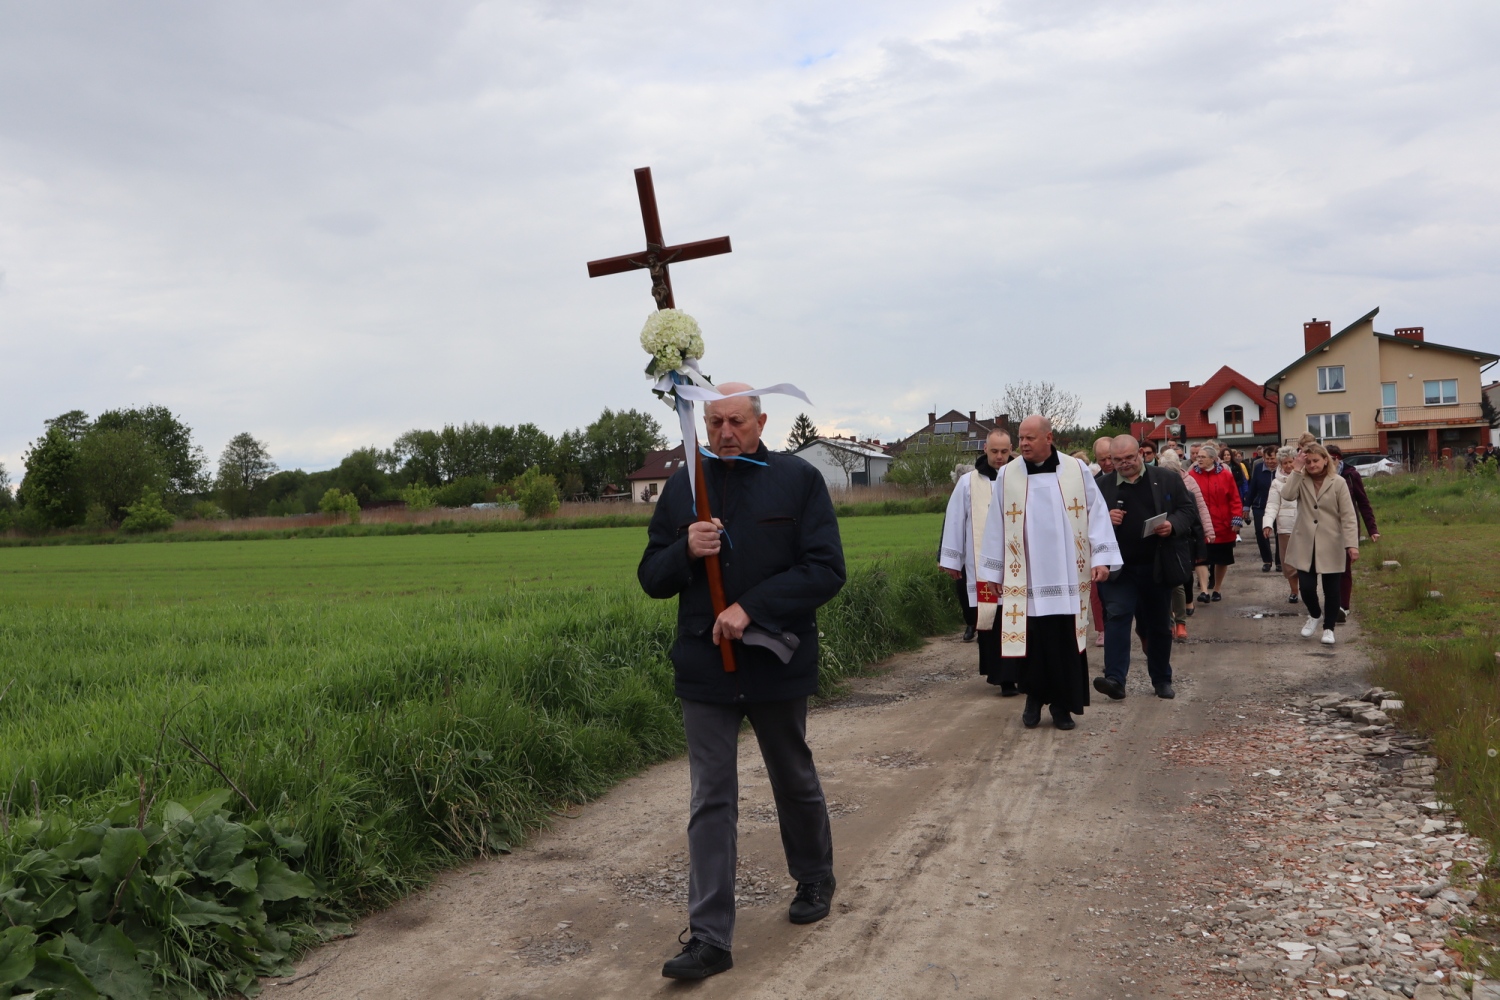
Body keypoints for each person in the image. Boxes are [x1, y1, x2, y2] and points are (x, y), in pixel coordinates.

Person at [638, 383, 845, 980]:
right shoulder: (685, 486)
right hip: (704, 666)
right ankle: (710, 938)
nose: (725, 433)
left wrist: (750, 608)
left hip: (775, 659)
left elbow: (826, 569)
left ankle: (814, 876)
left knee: (792, 775)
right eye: (715, 422)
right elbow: (651, 577)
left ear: (761, 422)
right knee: (711, 796)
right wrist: (684, 549)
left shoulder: (798, 481)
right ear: (702, 424)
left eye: (736, 421)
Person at [977, 416, 1122, 730]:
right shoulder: (1008, 474)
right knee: (1033, 641)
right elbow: (996, 522)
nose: (1023, 444)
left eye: (1029, 438)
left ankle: (1061, 706)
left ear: (1048, 437)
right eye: (1021, 438)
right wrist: (994, 571)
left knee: (1064, 641)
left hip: (1067, 573)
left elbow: (1096, 514)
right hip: (1026, 575)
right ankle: (1033, 699)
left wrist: (1101, 558)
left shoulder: (1075, 470)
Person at [1092, 436, 1196, 701]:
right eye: (1118, 460)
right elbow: (1086, 523)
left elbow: (1188, 510)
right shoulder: (1100, 486)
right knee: (1117, 618)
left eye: (1129, 458)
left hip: (1156, 565)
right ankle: (1115, 679)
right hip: (1119, 568)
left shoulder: (1166, 479)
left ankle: (1161, 679)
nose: (1124, 464)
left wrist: (1172, 525)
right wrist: (1105, 519)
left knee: (1158, 624)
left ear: (1140, 453)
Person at [939, 429, 1016, 693]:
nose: (999, 457)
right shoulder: (968, 482)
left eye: (1004, 451)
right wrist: (952, 559)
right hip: (982, 565)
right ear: (985, 449)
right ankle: (1002, 677)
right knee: (991, 618)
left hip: (1018, 564)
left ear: (1011, 450)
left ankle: (1020, 673)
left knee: (1016, 617)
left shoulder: (1021, 478)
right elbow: (955, 520)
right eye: (994, 451)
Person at [1278, 443, 1359, 646]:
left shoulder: (1338, 482)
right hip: (1305, 542)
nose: (1313, 465)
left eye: (1316, 460)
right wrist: (1297, 469)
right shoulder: (1300, 479)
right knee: (1306, 588)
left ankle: (1329, 628)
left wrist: (1352, 544)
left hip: (1332, 542)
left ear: (1325, 460)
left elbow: (1348, 516)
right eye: (1309, 461)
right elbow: (1287, 495)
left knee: (1332, 590)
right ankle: (1314, 614)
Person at [1159, 449, 1213, 640]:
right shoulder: (1154, 495)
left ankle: (1180, 622)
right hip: (1158, 545)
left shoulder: (1187, 494)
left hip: (1180, 544)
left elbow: (1196, 522)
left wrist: (1201, 549)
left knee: (1178, 584)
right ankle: (1169, 623)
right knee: (1161, 586)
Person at [1325, 444, 1380, 619]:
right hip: (1327, 528)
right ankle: (1332, 602)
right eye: (1325, 459)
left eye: (1332, 459)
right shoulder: (1320, 476)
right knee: (1329, 568)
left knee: (1344, 567)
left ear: (1338, 459)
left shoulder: (1350, 475)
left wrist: (1372, 529)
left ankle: (1343, 606)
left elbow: (1363, 502)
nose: (1329, 462)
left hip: (1348, 526)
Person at [1188, 443, 1242, 604]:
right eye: (1197, 457)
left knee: (1222, 559)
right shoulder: (1192, 475)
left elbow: (1234, 498)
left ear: (1213, 459)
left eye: (1202, 457)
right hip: (1201, 525)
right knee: (1201, 558)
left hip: (1222, 525)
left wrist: (1236, 518)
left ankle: (1217, 588)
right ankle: (1204, 591)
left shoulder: (1226, 475)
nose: (1199, 459)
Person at [1260, 446, 1302, 604]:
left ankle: (1307, 588)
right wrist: (1267, 524)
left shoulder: (1305, 477)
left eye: (1291, 461)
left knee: (1305, 561)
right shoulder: (1276, 482)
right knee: (1288, 562)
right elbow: (1272, 505)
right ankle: (1294, 591)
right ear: (1281, 464)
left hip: (1305, 526)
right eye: (1285, 463)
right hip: (1285, 527)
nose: (1289, 465)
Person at [1247, 445, 1278, 572]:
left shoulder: (1283, 469)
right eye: (1267, 458)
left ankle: (1280, 561)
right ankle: (1267, 560)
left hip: (1279, 507)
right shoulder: (1259, 468)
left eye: (1272, 458)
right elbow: (1252, 487)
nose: (1269, 461)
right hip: (1260, 506)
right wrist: (1246, 506)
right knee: (1261, 533)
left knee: (1280, 533)